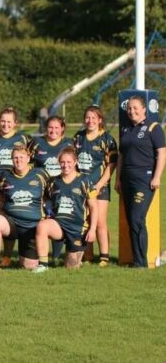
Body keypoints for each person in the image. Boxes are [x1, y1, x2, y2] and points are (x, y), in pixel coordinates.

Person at [116, 95, 166, 268]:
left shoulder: (154, 128)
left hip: (144, 180)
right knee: (132, 220)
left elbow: (162, 154)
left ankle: (141, 262)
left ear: (144, 109)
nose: (132, 111)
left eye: (135, 107)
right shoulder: (126, 130)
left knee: (137, 218)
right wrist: (118, 180)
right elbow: (121, 156)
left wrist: (157, 176)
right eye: (129, 108)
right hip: (127, 180)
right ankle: (137, 260)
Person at [0, 107, 32, 267]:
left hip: (15, 186)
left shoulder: (23, 138)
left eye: (9, 121)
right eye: (3, 121)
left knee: (11, 221)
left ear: (15, 123)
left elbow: (33, 158)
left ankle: (7, 256)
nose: (5, 124)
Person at [33, 147, 98, 272]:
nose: (65, 165)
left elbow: (94, 207)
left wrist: (92, 229)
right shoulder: (53, 182)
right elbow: (46, 199)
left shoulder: (85, 180)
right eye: (62, 162)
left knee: (71, 268)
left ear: (75, 162)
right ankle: (43, 265)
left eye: (68, 162)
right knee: (42, 226)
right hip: (59, 225)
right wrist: (48, 212)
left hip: (77, 228)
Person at [0, 145, 48, 272]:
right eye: (15, 158)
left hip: (32, 226)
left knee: (28, 265)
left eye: (21, 157)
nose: (18, 160)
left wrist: (48, 211)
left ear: (28, 158)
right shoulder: (5, 175)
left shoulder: (41, 174)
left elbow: (52, 193)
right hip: (11, 223)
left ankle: (22, 255)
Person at [73, 105, 117, 266]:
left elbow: (111, 165)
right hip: (81, 187)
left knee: (99, 222)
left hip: (100, 187)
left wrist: (99, 185)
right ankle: (88, 255)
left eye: (93, 118)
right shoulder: (78, 137)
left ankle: (104, 256)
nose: (90, 120)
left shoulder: (107, 139)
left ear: (100, 120)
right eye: (87, 117)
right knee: (85, 220)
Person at [31, 115, 74, 261]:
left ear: (62, 129)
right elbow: (25, 159)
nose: (53, 130)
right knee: (44, 219)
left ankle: (55, 257)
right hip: (42, 191)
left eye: (57, 127)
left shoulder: (69, 143)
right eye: (50, 127)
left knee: (60, 219)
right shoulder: (37, 143)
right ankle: (39, 254)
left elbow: (76, 165)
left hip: (63, 189)